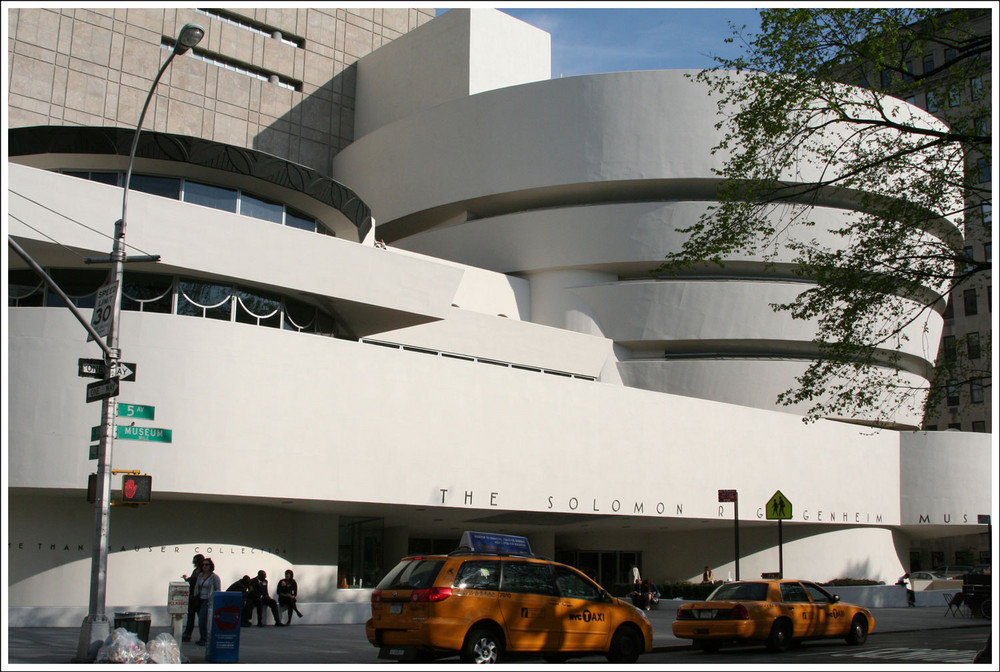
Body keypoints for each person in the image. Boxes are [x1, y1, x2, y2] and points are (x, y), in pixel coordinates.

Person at [193, 558, 221, 645]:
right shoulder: (200, 575)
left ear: (210, 566)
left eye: (207, 564)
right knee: (201, 620)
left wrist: (215, 600)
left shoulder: (214, 577)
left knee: (202, 619)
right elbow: (196, 587)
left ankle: (205, 638)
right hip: (199, 599)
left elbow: (217, 589)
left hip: (208, 600)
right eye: (203, 564)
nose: (204, 566)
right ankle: (203, 637)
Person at [181, 554, 205, 642]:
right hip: (192, 596)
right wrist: (186, 579)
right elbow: (191, 581)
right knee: (190, 617)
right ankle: (187, 634)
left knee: (201, 618)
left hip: (199, 597)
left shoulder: (202, 572)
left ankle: (203, 637)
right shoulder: (195, 571)